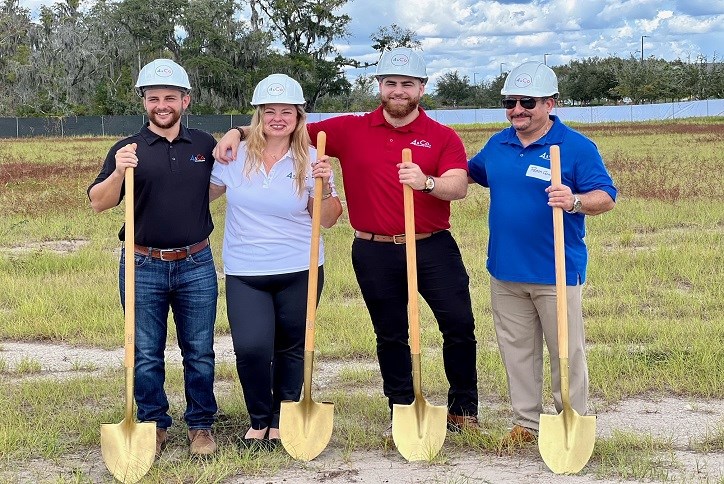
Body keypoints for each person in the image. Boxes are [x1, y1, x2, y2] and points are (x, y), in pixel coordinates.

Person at [214, 48, 481, 433]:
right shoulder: (350, 129)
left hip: (431, 245)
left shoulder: (442, 136)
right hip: (373, 248)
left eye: (408, 84)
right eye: (391, 83)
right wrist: (236, 131)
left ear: (422, 88)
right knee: (391, 333)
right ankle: (402, 409)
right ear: (380, 87)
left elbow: (458, 186)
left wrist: (426, 182)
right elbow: (282, 126)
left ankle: (462, 410)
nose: (399, 90)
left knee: (458, 324)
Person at [467, 61, 617, 444]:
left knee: (566, 351)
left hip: (556, 271)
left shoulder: (576, 147)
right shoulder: (498, 144)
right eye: (510, 101)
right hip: (505, 271)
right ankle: (526, 424)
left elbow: (606, 197)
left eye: (527, 102)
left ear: (551, 103)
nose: (517, 109)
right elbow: (469, 173)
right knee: (517, 352)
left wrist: (574, 201)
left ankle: (571, 419)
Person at [88, 58, 219, 457]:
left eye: (170, 97)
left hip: (196, 263)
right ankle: (153, 423)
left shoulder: (203, 145)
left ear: (185, 100)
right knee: (145, 351)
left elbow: (218, 186)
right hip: (142, 264)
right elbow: (99, 203)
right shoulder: (126, 149)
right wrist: (118, 173)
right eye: (153, 98)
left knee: (199, 349)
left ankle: (200, 425)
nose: (162, 105)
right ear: (144, 102)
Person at [209, 74, 342, 449]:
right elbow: (200, 196)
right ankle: (258, 419)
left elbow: (329, 218)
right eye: (270, 111)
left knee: (291, 346)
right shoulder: (234, 157)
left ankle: (283, 418)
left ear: (299, 117)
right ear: (259, 115)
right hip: (246, 270)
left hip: (300, 267)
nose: (278, 118)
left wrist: (326, 186)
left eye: (287, 111)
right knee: (251, 346)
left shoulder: (314, 159)